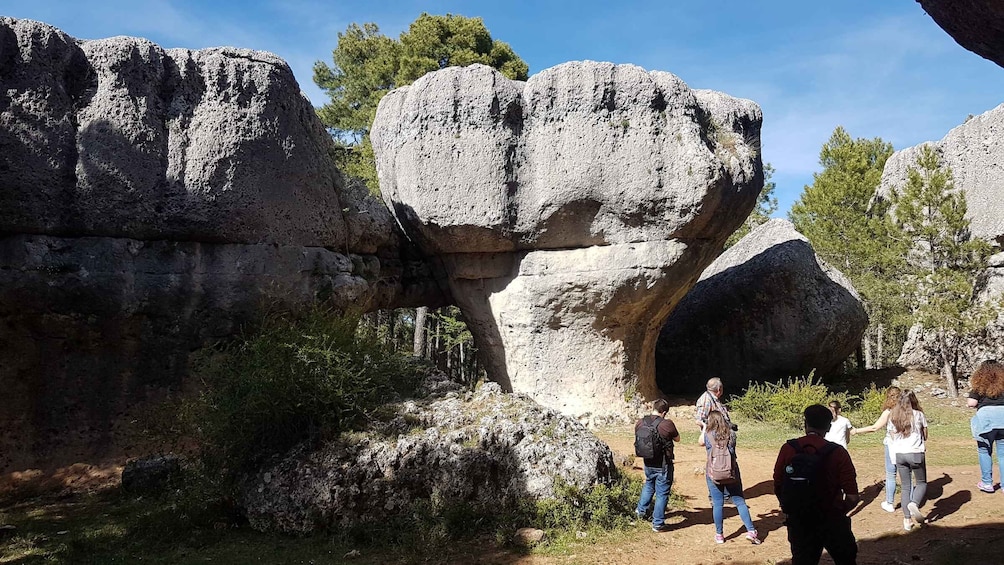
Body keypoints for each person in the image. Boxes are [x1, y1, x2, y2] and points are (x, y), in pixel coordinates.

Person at [773, 404, 859, 565]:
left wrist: (791, 506)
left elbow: (778, 484)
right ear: (828, 426)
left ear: (805, 424)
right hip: (832, 519)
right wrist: (838, 511)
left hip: (799, 520)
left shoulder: (788, 448)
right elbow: (853, 496)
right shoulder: (838, 452)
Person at [700, 410, 761, 544]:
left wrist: (704, 427)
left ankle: (719, 535)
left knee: (717, 504)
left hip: (713, 473)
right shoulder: (731, 434)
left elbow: (700, 442)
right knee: (739, 501)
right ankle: (751, 530)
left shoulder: (708, 435)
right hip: (732, 472)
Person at [849, 386, 902, 512]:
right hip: (907, 446)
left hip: (892, 446)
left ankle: (890, 503)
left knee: (891, 475)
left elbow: (874, 428)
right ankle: (910, 502)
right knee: (907, 475)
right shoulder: (907, 410)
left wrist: (856, 431)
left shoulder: (889, 412)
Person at [635, 398, 681, 532]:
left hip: (647, 460)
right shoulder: (667, 424)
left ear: (653, 408)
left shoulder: (640, 422)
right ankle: (658, 523)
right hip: (663, 464)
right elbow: (677, 439)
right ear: (664, 412)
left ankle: (640, 512)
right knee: (662, 492)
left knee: (649, 485)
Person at [888, 391, 928, 531]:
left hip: (900, 454)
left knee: (906, 486)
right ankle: (915, 503)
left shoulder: (894, 416)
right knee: (921, 483)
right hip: (915, 452)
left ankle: (907, 520)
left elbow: (892, 436)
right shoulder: (919, 415)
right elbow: (925, 435)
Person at [968, 360, 1004, 493]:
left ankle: (987, 483)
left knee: (984, 450)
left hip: (986, 419)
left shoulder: (979, 386)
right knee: (1003, 454)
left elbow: (971, 403)